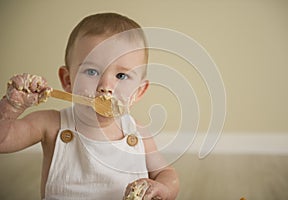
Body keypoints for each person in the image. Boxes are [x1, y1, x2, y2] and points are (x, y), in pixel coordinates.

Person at [0, 13, 179, 200]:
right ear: (68, 80)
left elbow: (166, 174)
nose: (105, 86)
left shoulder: (139, 133)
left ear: (138, 92)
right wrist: (11, 106)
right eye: (92, 71)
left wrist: (162, 188)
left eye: (121, 76)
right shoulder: (51, 124)